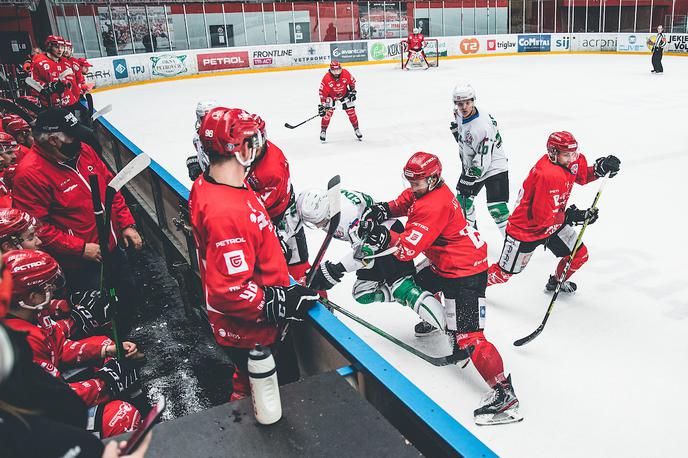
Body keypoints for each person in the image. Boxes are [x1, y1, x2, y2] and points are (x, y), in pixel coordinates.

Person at [358, 152, 522, 425]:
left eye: (418, 182)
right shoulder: (426, 191)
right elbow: (406, 201)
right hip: (445, 264)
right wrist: (384, 209)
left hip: (465, 274)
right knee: (416, 286)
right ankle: (439, 320)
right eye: (411, 181)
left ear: (433, 179)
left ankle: (504, 393)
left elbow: (407, 249)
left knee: (469, 337)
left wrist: (384, 235)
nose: (413, 187)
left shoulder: (433, 205)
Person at [189, 107, 318, 400]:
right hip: (252, 334)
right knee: (278, 395)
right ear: (243, 147)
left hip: (251, 328)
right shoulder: (226, 212)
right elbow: (230, 292)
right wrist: (279, 301)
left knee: (249, 384)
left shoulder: (217, 183)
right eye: (256, 141)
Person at [11, 108, 142, 329]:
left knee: (127, 296)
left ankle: (129, 334)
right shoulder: (30, 175)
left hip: (112, 247)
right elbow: (38, 229)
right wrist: (80, 248)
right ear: (53, 140)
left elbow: (111, 187)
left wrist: (125, 223)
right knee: (98, 314)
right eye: (72, 135)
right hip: (82, 264)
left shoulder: (84, 151)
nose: (79, 140)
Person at [1, 249, 142, 438]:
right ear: (31, 297)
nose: (52, 289)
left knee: (105, 346)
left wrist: (106, 350)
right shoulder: (20, 342)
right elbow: (56, 399)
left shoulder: (35, 313)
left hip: (48, 397)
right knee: (123, 416)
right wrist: (106, 383)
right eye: (47, 286)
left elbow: (58, 347)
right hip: (38, 423)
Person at [297, 187, 446, 331]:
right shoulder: (332, 201)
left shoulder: (346, 217)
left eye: (319, 221)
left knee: (402, 288)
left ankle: (453, 332)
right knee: (362, 293)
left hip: (386, 237)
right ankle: (419, 280)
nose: (317, 226)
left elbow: (364, 254)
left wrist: (336, 270)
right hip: (372, 240)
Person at [487, 131, 621, 292]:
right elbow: (541, 219)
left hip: (553, 224)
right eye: (566, 155)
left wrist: (600, 170)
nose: (572, 158)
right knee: (503, 274)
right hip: (526, 231)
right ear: (553, 153)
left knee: (579, 255)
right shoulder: (548, 175)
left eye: (574, 153)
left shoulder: (568, 161)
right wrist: (573, 217)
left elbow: (582, 176)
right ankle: (469, 287)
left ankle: (556, 281)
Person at [450, 83, 510, 236]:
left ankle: (513, 241)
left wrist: (469, 178)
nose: (463, 107)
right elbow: (469, 140)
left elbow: (482, 159)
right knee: (463, 202)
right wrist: (459, 135)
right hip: (475, 163)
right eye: (460, 103)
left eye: (467, 103)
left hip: (494, 165)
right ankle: (470, 236)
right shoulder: (459, 115)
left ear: (473, 101)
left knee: (497, 208)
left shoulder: (482, 126)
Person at [318, 61, 361, 142]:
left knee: (351, 112)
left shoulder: (346, 73)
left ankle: (356, 129)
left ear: (341, 68)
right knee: (327, 114)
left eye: (338, 70)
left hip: (345, 94)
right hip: (331, 96)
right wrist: (323, 105)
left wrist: (352, 91)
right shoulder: (326, 78)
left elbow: (352, 82)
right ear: (330, 70)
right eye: (334, 70)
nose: (336, 72)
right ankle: (323, 131)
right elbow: (322, 93)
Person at [30, 36, 76, 108]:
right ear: (49, 46)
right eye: (57, 47)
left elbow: (72, 81)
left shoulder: (65, 62)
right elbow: (33, 84)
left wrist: (67, 83)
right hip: (50, 106)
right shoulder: (39, 62)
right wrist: (49, 87)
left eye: (62, 47)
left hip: (68, 103)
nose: (60, 50)